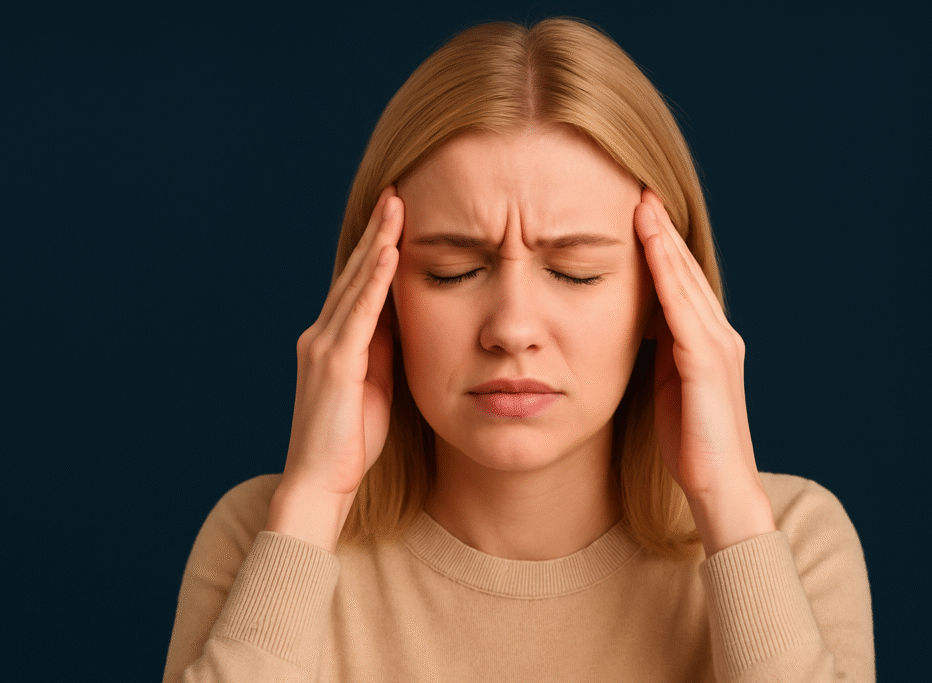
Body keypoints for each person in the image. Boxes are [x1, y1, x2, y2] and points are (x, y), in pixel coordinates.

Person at [162, 18, 874, 682]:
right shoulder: (265, 534)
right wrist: (312, 503)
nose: (511, 328)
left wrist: (729, 510)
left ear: (665, 298)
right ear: (377, 296)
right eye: (453, 271)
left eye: (576, 272)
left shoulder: (791, 539)